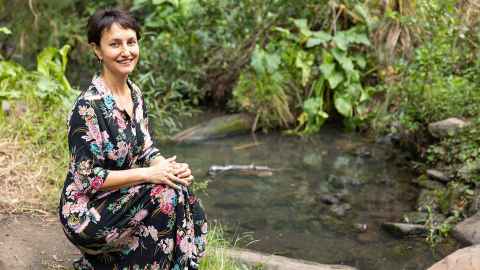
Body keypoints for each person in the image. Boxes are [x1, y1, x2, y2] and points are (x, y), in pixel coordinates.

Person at [58, 8, 207, 270]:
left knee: (177, 187)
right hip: (86, 212)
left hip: (122, 197)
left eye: (131, 42)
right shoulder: (88, 107)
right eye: (114, 44)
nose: (126, 51)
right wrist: (150, 174)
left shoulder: (133, 93)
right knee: (164, 196)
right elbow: (89, 179)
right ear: (97, 50)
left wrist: (167, 169)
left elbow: (146, 147)